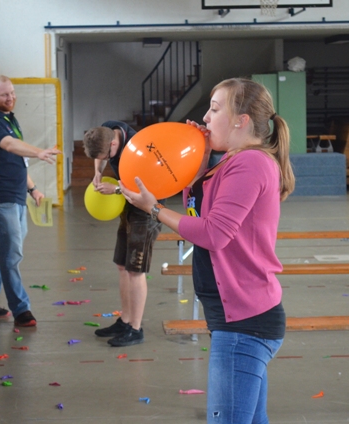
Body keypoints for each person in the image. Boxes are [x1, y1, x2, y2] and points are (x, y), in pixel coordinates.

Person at [120, 78, 295, 423]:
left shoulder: (250, 163)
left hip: (244, 324)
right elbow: (197, 215)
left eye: (215, 109)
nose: (205, 118)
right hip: (239, 320)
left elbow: (213, 234)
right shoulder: (231, 161)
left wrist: (154, 208)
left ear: (241, 120)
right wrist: (198, 163)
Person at [0, 74, 61, 327]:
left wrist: (33, 189)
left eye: (12, 93)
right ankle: (21, 309)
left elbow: (18, 161)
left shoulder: (10, 119)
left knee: (7, 250)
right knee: (12, 253)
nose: (10, 98)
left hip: (16, 197)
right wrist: (39, 152)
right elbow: (10, 145)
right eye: (4, 94)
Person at [82, 121, 163, 347]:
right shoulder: (107, 130)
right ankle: (125, 321)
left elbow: (150, 188)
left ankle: (135, 329)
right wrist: (97, 172)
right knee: (121, 265)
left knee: (135, 270)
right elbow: (100, 156)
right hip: (128, 205)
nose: (105, 159)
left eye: (106, 157)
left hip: (147, 208)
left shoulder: (139, 148)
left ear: (114, 144)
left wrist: (116, 189)